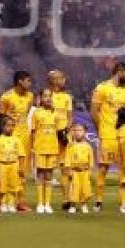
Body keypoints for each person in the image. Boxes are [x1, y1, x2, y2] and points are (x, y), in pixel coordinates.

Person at [90, 62, 125, 211]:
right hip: (107, 135)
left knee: (124, 169)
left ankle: (123, 204)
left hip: (123, 136)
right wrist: (101, 129)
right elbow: (94, 111)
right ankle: (98, 201)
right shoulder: (102, 88)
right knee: (103, 169)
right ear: (119, 72)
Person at [0, 70, 34, 211]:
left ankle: (20, 201)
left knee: (22, 172)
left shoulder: (30, 96)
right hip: (10, 139)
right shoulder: (6, 97)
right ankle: (2, 201)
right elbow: (1, 116)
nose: (30, 84)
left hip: (25, 138)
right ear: (20, 81)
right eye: (28, 81)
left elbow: (27, 114)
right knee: (4, 171)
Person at [47, 70, 73, 209]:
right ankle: (46, 202)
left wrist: (66, 131)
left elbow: (69, 117)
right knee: (48, 169)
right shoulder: (46, 96)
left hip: (63, 136)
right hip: (49, 136)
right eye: (61, 78)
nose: (64, 80)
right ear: (54, 80)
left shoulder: (67, 97)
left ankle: (66, 199)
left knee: (65, 168)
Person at [31, 88, 59, 214]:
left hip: (52, 148)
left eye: (50, 96)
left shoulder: (55, 113)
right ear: (40, 98)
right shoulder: (36, 113)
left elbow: (57, 131)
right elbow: (32, 131)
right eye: (45, 96)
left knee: (49, 175)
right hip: (40, 148)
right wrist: (33, 147)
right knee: (40, 174)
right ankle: (40, 203)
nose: (48, 98)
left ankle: (47, 203)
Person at [0, 117, 26, 214]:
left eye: (12, 125)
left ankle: (11, 204)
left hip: (14, 164)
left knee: (13, 186)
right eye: (8, 125)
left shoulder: (17, 140)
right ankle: (3, 204)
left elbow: (21, 155)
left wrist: (21, 168)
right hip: (3, 165)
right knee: (2, 186)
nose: (10, 128)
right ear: (3, 127)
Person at [65, 122, 95, 214]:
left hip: (85, 171)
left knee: (85, 189)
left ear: (85, 132)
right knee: (74, 188)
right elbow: (67, 158)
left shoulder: (88, 146)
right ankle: (73, 205)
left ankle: (84, 204)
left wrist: (90, 170)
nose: (77, 132)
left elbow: (91, 159)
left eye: (80, 130)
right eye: (75, 130)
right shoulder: (70, 146)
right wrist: (69, 169)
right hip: (75, 171)